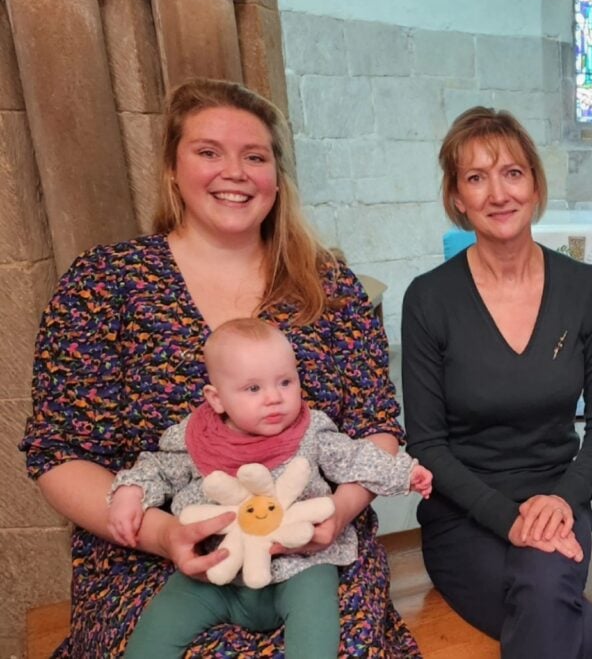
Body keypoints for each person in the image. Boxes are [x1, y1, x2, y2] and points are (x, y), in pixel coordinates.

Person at [20, 78, 422, 656]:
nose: (233, 172)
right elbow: (59, 453)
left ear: (276, 179)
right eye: (209, 152)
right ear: (172, 168)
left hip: (309, 549)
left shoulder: (327, 286)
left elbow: (377, 427)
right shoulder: (104, 284)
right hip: (151, 559)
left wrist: (336, 513)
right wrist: (164, 535)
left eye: (254, 157)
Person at [402, 106, 592, 658]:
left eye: (512, 173)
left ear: (534, 184)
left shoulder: (584, 288)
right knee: (577, 628)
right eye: (476, 178)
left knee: (547, 590)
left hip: (557, 499)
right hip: (464, 513)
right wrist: (508, 519)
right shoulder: (429, 299)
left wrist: (563, 499)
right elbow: (426, 444)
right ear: (457, 197)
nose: (498, 193)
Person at [107, 318, 433, 658]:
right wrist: (130, 491)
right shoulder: (197, 439)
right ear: (216, 399)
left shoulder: (310, 432)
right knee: (156, 629)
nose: (274, 398)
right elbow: (158, 468)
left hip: (300, 565)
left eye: (285, 382)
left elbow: (357, 457)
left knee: (317, 627)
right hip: (217, 568)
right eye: (253, 389)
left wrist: (405, 473)